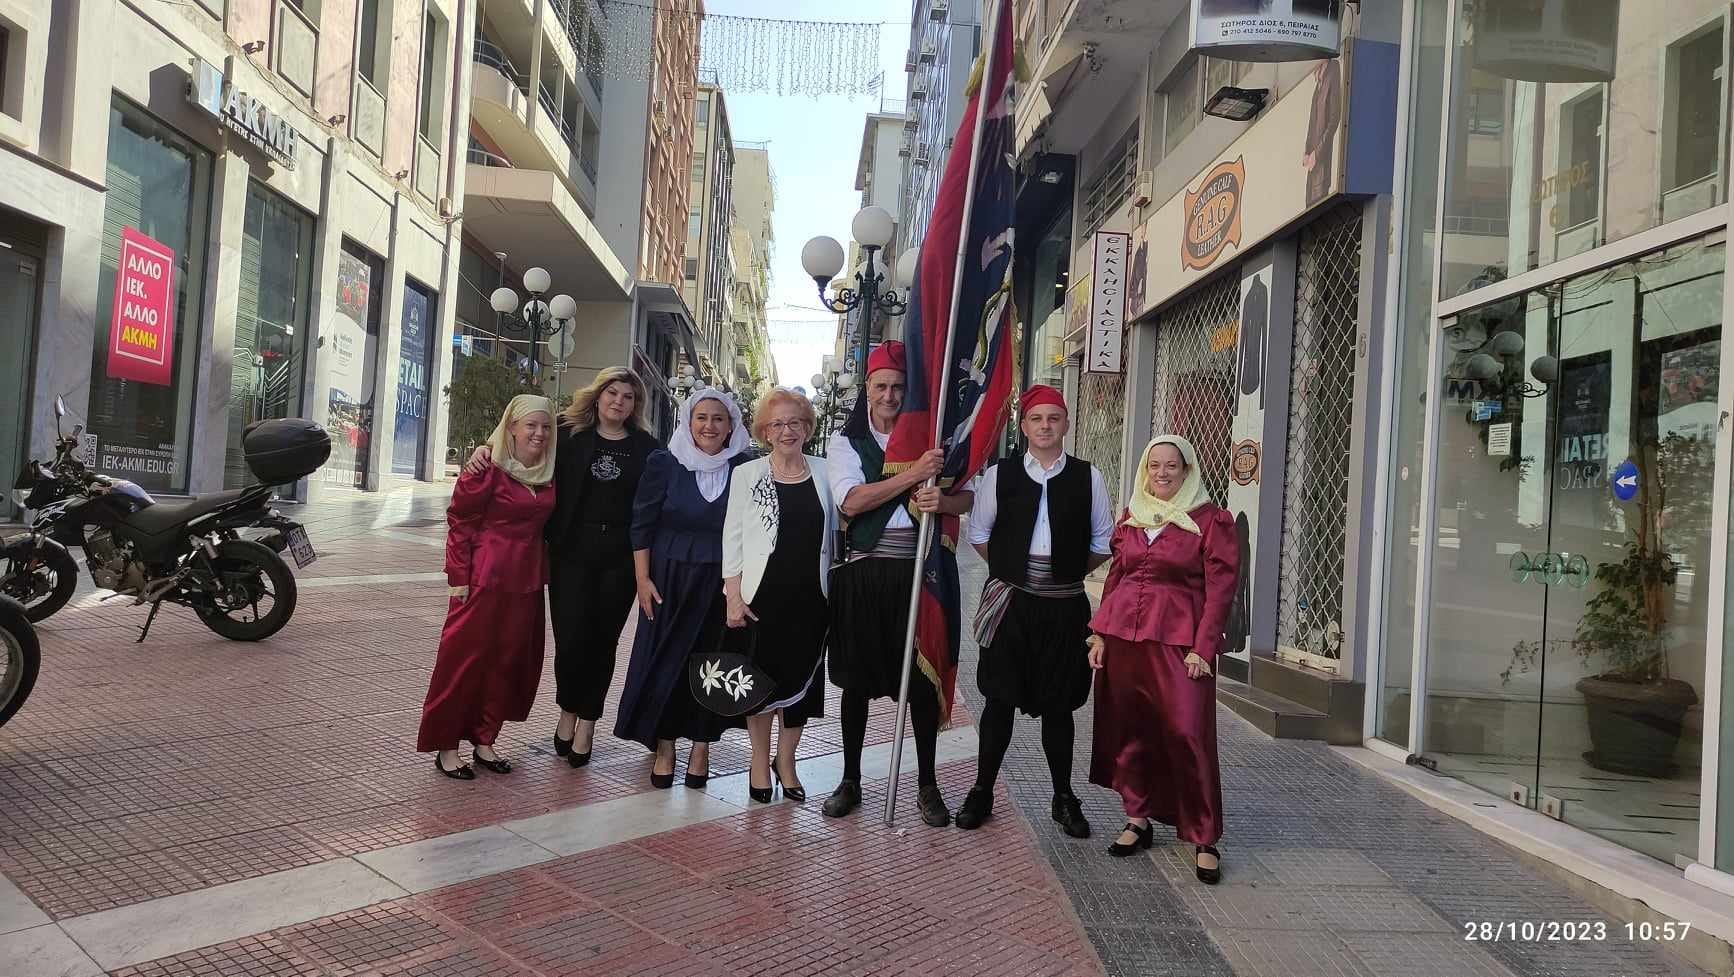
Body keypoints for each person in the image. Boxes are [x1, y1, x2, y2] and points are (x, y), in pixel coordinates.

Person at [467, 367, 659, 766]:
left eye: (627, 396)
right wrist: (484, 449)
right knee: (571, 641)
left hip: (619, 559)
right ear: (598, 395)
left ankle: (587, 722)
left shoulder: (647, 447)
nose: (618, 401)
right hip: (571, 553)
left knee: (603, 643)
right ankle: (567, 710)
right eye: (612, 393)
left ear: (635, 405)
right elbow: (519, 442)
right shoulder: (567, 433)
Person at [954, 386, 1112, 837]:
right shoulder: (999, 475)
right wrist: (1017, 573)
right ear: (1023, 426)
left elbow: (1103, 542)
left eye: (1053, 418)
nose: (1045, 426)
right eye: (1037, 418)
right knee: (998, 699)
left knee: (1060, 706)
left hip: (1064, 608)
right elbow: (979, 534)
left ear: (1066, 424)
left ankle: (1063, 797)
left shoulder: (1088, 476)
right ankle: (982, 790)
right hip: (1011, 606)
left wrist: (1060, 573)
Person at [823, 341, 969, 826]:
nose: (889, 396)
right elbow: (851, 501)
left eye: (898, 387)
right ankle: (850, 780)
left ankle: (928, 784)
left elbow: (967, 498)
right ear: (867, 389)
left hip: (920, 573)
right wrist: (914, 475)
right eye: (881, 386)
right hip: (865, 573)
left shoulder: (931, 438)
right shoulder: (846, 442)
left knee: (922, 685)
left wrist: (943, 501)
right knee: (856, 684)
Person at [1088, 435, 1239, 883]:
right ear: (1144, 470)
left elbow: (1221, 590)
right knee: (1131, 729)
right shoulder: (1133, 516)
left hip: (1180, 645)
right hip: (1124, 640)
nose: (1162, 473)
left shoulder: (1211, 520)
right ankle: (1138, 818)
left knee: (1187, 733)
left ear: (1187, 470)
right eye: (1154, 465)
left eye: (1172, 465)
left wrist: (1204, 648)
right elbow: (1116, 577)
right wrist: (1099, 635)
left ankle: (1204, 836)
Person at [613, 387, 750, 788]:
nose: (709, 426)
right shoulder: (665, 462)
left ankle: (702, 746)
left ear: (731, 426)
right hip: (668, 579)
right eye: (701, 418)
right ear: (688, 422)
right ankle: (666, 745)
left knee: (714, 666)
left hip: (722, 582)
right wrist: (642, 580)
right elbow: (642, 523)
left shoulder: (745, 467)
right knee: (665, 663)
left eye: (718, 419)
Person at [419, 395, 558, 779]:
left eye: (545, 426)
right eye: (530, 425)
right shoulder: (486, 467)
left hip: (527, 583)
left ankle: (485, 739)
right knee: (462, 663)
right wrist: (458, 579)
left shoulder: (549, 470)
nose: (539, 433)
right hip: (483, 579)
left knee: (506, 663)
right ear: (510, 427)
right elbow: (460, 522)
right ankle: (446, 747)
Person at [722, 389, 835, 803]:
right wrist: (733, 596)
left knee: (803, 683)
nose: (787, 431)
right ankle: (758, 760)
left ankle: (786, 761)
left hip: (812, 597)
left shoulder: (826, 471)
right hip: (761, 598)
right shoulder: (748, 474)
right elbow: (732, 539)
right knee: (761, 683)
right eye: (778, 424)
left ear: (807, 428)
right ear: (765, 432)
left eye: (795, 423)